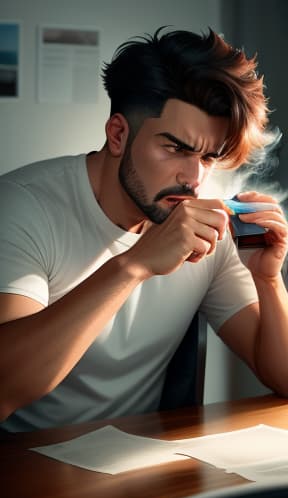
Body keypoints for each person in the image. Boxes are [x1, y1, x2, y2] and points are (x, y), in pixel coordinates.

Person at [0, 27, 287, 432]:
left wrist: (268, 279)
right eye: (175, 148)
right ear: (118, 134)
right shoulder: (22, 206)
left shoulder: (211, 221)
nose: (193, 178)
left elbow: (283, 378)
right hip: (26, 474)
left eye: (208, 157)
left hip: (144, 468)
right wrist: (133, 264)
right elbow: (3, 389)